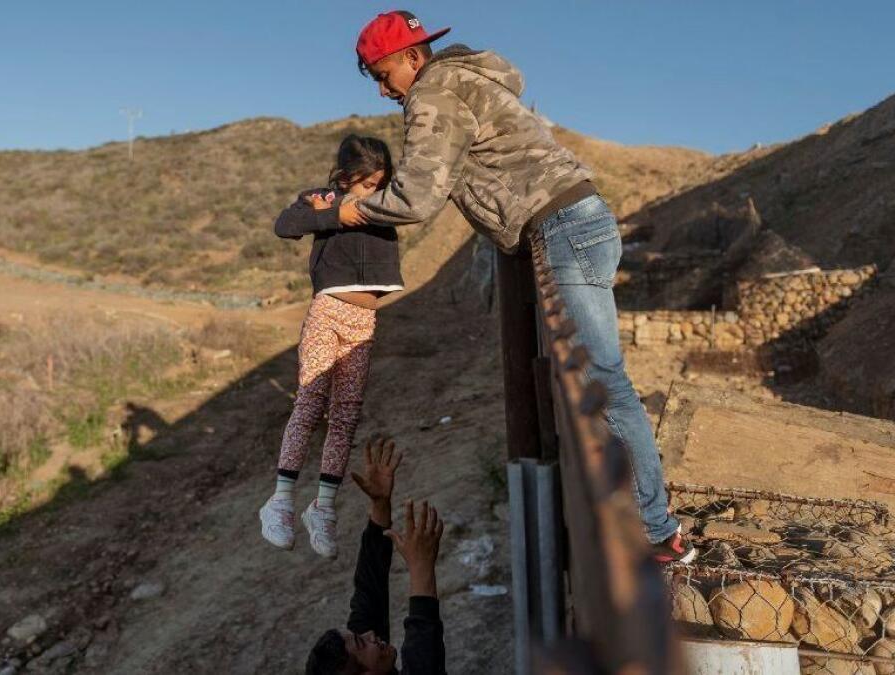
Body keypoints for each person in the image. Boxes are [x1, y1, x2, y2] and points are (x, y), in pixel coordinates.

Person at [339, 11, 694, 563]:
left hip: (563, 229)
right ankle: (637, 516)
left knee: (604, 381)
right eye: (374, 80)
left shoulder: (432, 94)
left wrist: (349, 210)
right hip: (577, 220)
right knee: (591, 380)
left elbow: (418, 198)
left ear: (413, 57)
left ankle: (656, 531)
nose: (384, 91)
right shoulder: (467, 82)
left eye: (383, 74)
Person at [259, 135, 405, 559]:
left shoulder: (389, 204)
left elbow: (419, 198)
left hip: (364, 320)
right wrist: (335, 214)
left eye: (380, 182)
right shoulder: (324, 199)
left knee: (345, 415)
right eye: (365, 183)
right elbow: (285, 225)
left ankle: (322, 508)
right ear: (345, 178)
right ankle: (280, 500)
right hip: (327, 311)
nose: (372, 192)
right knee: (309, 402)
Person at [305, 438, 447, 675]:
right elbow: (424, 658)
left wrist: (380, 505)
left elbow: (369, 589)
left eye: (360, 636)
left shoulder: (363, 658)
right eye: (362, 642)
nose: (370, 634)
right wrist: (421, 567)